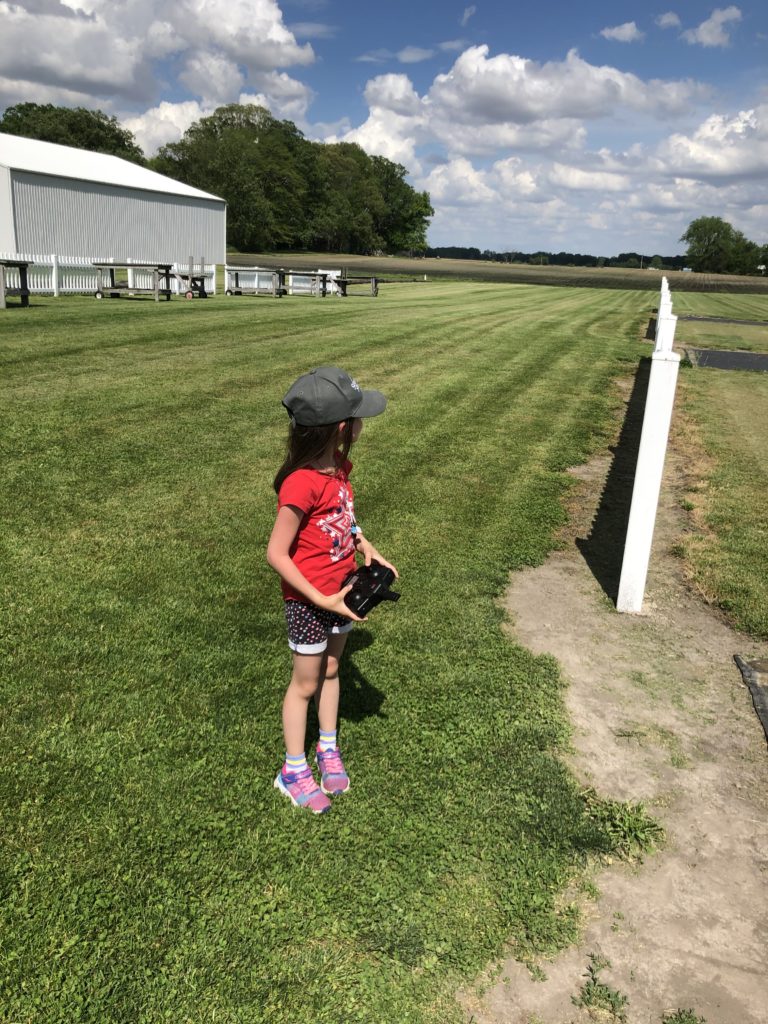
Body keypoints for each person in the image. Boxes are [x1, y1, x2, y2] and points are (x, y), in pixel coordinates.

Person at [267, 366, 398, 814]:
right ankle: (293, 768)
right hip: (311, 600)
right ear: (342, 427)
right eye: (359, 416)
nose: (364, 423)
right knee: (305, 683)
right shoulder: (301, 483)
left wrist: (367, 547)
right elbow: (277, 553)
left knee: (331, 670)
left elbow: (345, 516)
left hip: (342, 590)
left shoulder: (339, 468)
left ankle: (327, 746)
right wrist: (319, 598)